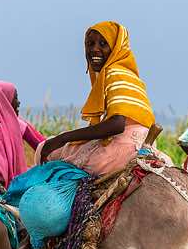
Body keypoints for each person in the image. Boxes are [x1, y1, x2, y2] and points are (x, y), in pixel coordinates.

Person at [39, 21, 156, 175]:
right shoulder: (131, 76)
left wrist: (63, 138)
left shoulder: (114, 72)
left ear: (116, 48)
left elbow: (117, 124)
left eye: (103, 44)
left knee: (47, 149)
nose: (94, 49)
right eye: (90, 44)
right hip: (146, 146)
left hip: (122, 150)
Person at [0, 81, 45, 188]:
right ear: (1, 100)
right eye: (15, 97)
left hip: (11, 186)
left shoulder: (18, 125)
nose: (18, 102)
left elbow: (43, 145)